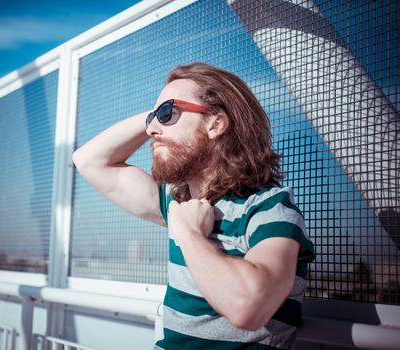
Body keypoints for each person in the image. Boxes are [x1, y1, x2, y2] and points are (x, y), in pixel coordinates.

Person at [72, 62, 315, 349]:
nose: (151, 130)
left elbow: (248, 308)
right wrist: (155, 114)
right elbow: (89, 160)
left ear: (215, 123)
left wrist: (189, 235)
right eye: (153, 118)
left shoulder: (269, 208)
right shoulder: (178, 203)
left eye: (167, 114)